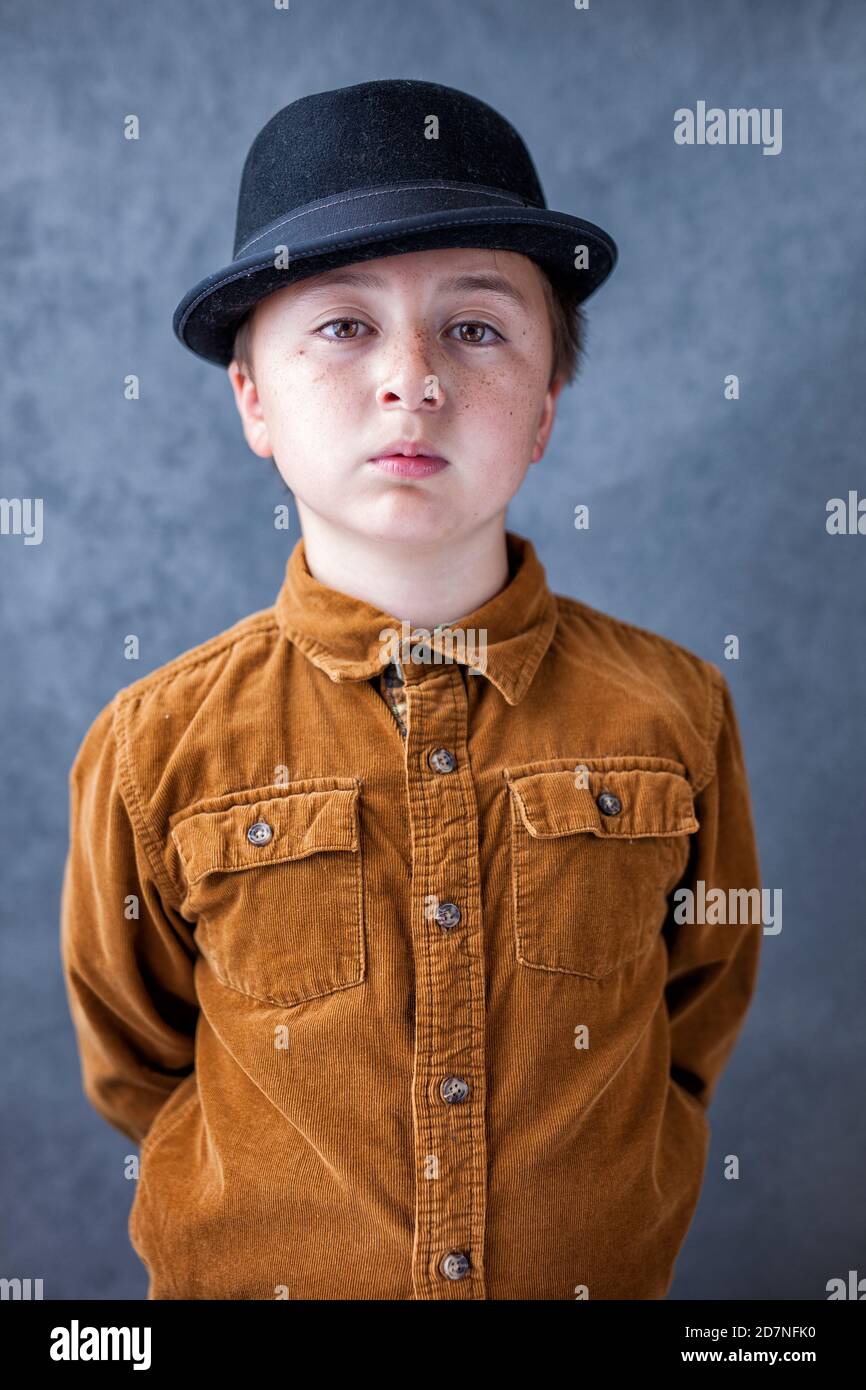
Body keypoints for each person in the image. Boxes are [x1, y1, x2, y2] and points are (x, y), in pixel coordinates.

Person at [60, 78, 762, 1300]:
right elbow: (139, 1065)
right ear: (252, 400)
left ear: (544, 406)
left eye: (475, 328)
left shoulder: (675, 711)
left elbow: (695, 1008)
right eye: (341, 327)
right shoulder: (151, 744)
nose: (413, 380)